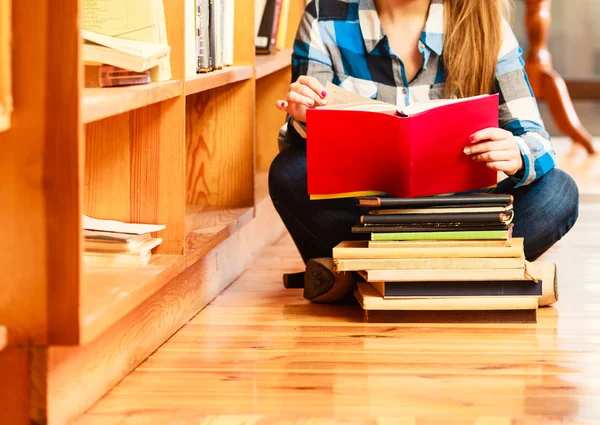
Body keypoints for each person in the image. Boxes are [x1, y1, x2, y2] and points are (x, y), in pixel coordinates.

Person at [268, 0, 579, 302]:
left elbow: (535, 138)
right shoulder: (323, 16)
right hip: (365, 212)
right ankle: (465, 275)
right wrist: (307, 118)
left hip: (464, 215)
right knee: (289, 172)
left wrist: (517, 152)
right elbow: (306, 150)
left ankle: (362, 273)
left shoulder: (488, 26)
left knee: (559, 191)